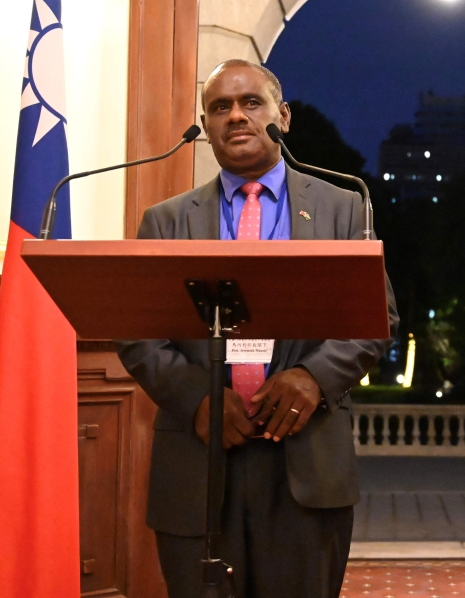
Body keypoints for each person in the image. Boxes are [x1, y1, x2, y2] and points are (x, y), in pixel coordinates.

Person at [116, 59, 399, 598]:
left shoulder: (343, 207)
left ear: (283, 117)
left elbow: (377, 318)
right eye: (220, 107)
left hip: (305, 461)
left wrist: (313, 379)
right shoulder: (166, 221)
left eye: (251, 103)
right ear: (205, 126)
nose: (236, 117)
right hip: (199, 461)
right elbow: (138, 334)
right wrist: (200, 400)